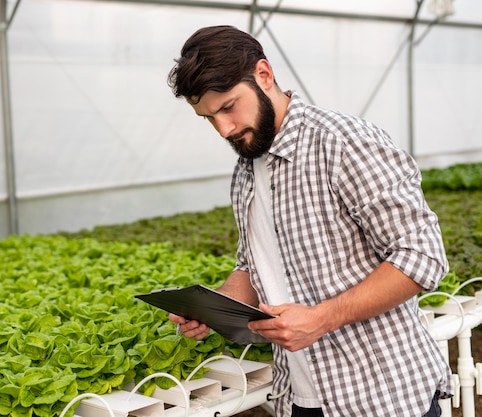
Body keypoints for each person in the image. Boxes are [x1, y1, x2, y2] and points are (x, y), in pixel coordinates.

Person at [166, 25, 452, 417]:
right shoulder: (247, 169)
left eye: (229, 106)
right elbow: (254, 266)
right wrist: (217, 306)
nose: (224, 129)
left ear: (264, 75)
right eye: (208, 118)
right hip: (300, 398)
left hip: (382, 397)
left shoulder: (343, 143)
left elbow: (423, 257)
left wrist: (319, 319)